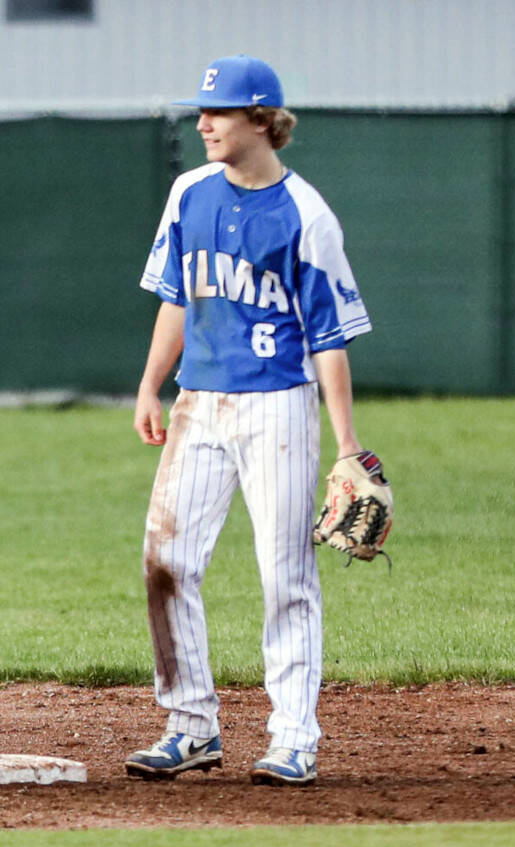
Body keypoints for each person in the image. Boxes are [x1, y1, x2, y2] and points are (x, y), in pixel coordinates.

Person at [123, 55, 372, 787]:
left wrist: (348, 445)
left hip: (279, 405)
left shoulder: (307, 216)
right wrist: (149, 385)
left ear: (263, 120)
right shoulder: (189, 193)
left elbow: (329, 340)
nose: (202, 123)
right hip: (199, 402)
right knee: (165, 563)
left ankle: (293, 736)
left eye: (219, 112)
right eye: (201, 111)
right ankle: (190, 724)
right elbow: (176, 296)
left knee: (284, 574)